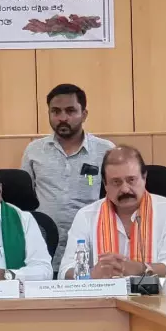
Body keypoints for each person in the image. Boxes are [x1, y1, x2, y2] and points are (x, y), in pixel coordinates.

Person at [59, 146, 166, 280]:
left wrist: (140, 269)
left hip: (156, 293)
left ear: (144, 178)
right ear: (105, 184)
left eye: (131, 180)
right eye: (116, 182)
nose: (125, 189)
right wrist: (91, 275)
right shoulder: (86, 216)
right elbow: (65, 271)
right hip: (102, 293)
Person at [21, 84, 113, 267]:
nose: (62, 118)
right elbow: (25, 200)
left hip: (92, 248)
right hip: (44, 249)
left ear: (84, 114)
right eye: (55, 111)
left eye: (70, 111)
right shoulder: (34, 151)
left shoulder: (105, 150)